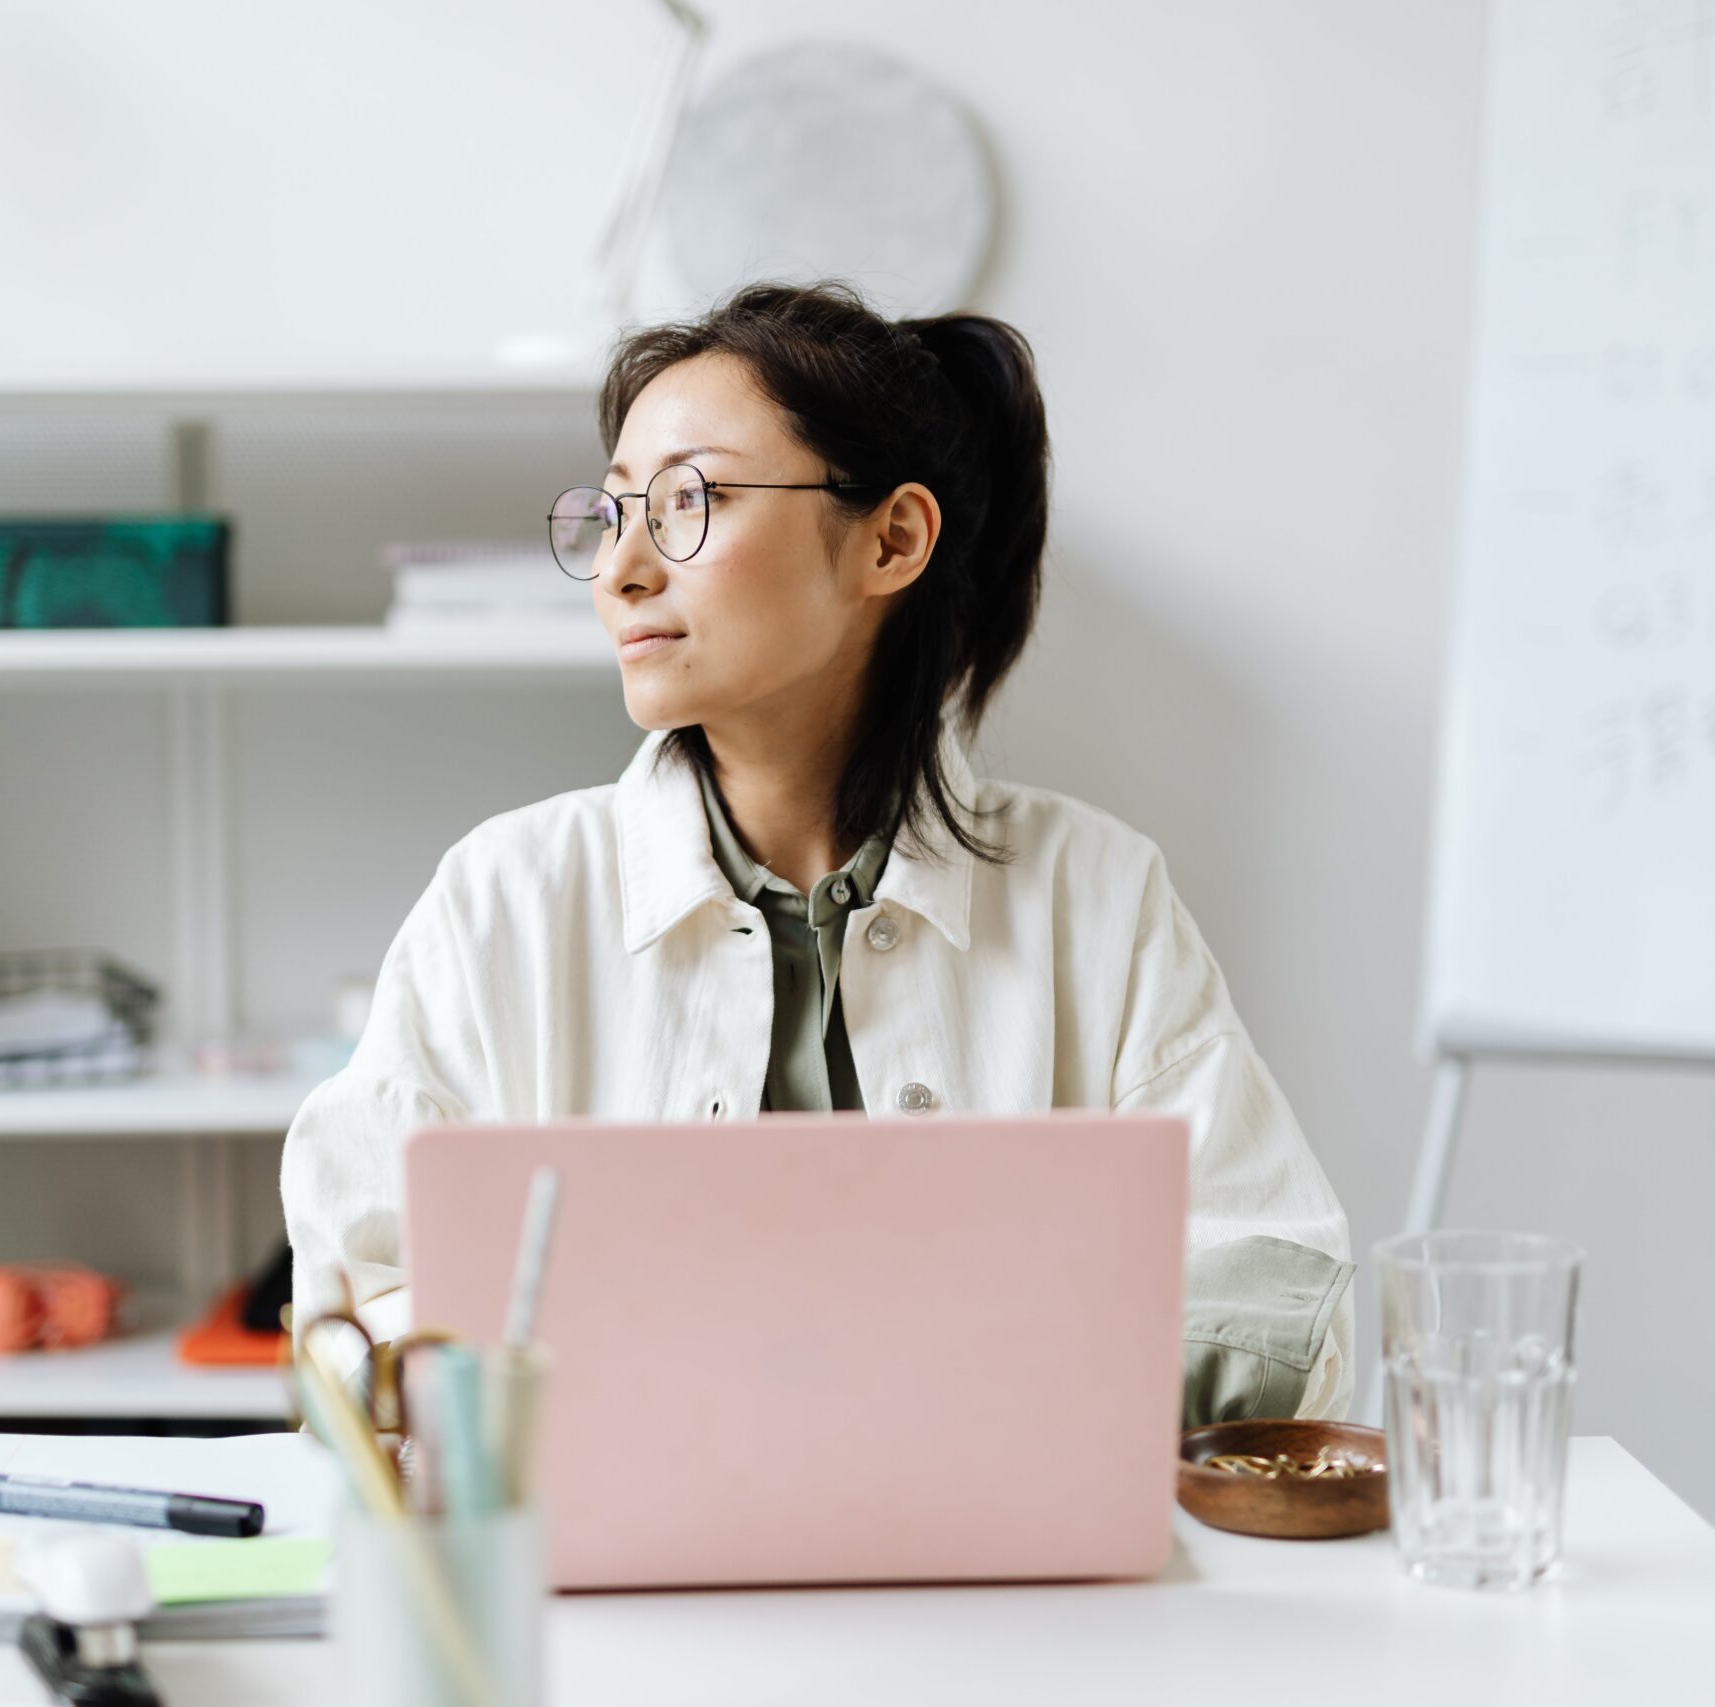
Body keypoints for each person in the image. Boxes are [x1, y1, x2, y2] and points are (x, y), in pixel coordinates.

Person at [282, 282, 1354, 1424]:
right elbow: (356, 1302)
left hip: (993, 1571)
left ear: (890, 539)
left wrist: (949, 1386)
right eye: (612, 513)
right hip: (613, 1574)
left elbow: (1277, 1306)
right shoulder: (504, 898)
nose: (622, 570)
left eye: (690, 502)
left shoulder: (1096, 894)